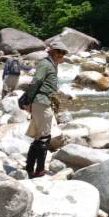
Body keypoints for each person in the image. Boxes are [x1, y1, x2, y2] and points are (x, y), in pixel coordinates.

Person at [23, 41, 69, 178]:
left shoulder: (51, 64)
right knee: (44, 138)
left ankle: (30, 168)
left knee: (40, 137)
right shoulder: (45, 64)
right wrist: (28, 101)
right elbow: (36, 81)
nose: (63, 55)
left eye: (64, 53)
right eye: (61, 52)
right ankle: (39, 170)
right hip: (41, 102)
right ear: (54, 52)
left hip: (43, 102)